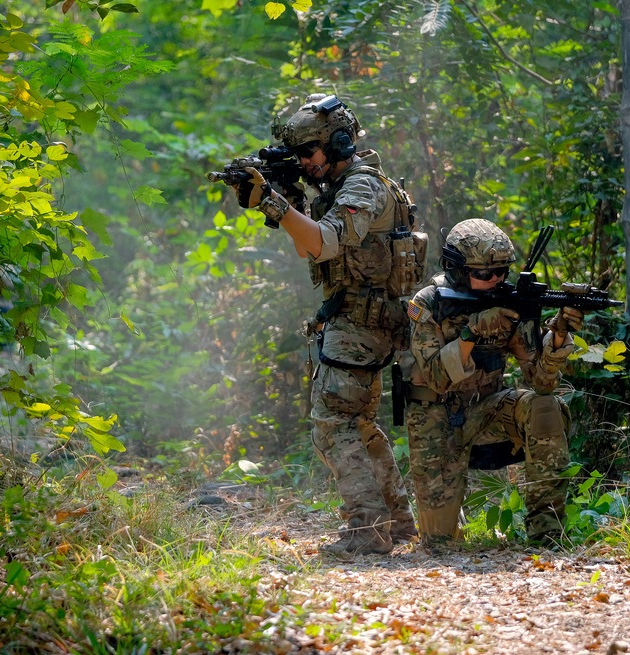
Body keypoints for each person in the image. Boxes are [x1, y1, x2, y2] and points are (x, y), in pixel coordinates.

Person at [231, 93, 422, 556]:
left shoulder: (361, 186)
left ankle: (367, 529)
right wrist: (281, 200)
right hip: (355, 316)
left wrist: (276, 205)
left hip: (363, 320)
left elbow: (326, 244)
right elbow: (307, 247)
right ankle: (395, 522)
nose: (303, 162)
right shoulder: (338, 188)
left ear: (337, 143)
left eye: (308, 152)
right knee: (356, 424)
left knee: (331, 425)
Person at [403, 218, 583, 550]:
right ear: (455, 268)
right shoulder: (427, 303)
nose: (496, 280)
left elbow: (541, 383)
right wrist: (473, 332)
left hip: (485, 413)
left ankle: (547, 534)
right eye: (485, 274)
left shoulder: (510, 304)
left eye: (502, 272)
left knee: (545, 407)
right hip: (434, 422)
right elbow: (436, 378)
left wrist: (556, 338)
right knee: (438, 544)